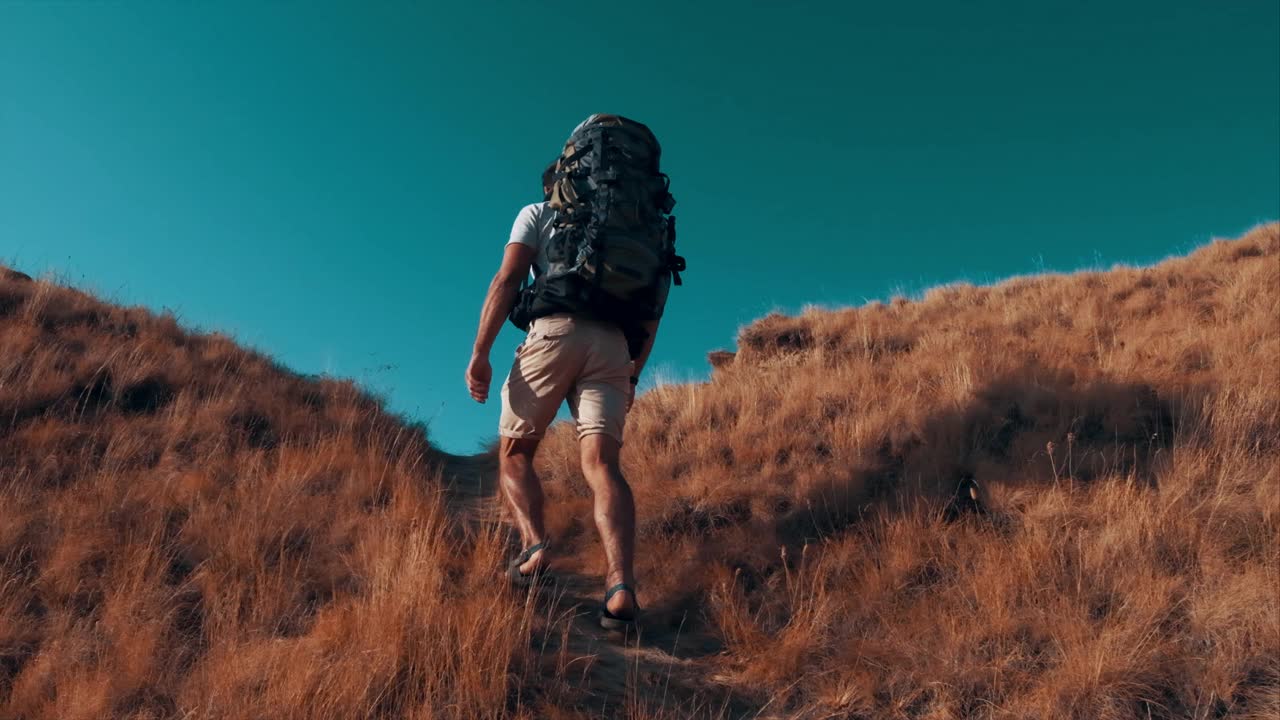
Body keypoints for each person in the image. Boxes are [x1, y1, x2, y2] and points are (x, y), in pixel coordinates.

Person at [466, 154, 670, 630]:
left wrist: (481, 351)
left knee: (515, 454)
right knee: (602, 465)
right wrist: (633, 372)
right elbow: (653, 311)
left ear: (556, 185)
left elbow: (509, 279)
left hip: (554, 332)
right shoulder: (640, 229)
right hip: (614, 346)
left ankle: (535, 545)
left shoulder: (538, 213)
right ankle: (620, 587)